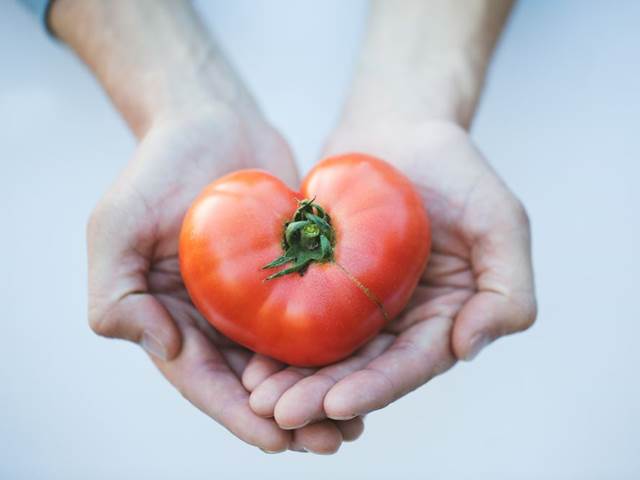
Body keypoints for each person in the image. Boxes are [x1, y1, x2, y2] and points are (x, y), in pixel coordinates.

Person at [24, 0, 537, 454]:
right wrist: (178, 104)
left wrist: (419, 111)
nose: (308, 237)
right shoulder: (363, 192)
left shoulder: (226, 210)